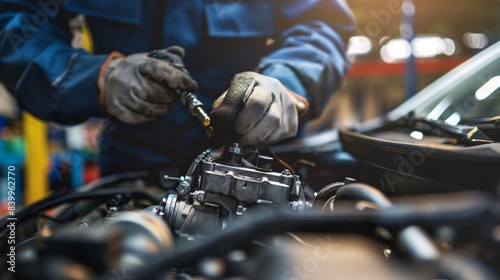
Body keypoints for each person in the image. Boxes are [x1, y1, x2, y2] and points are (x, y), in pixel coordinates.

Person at [0, 0, 355, 180]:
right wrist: (96, 78)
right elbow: (18, 22)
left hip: (261, 160)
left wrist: (288, 82)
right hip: (133, 164)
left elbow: (322, 20)